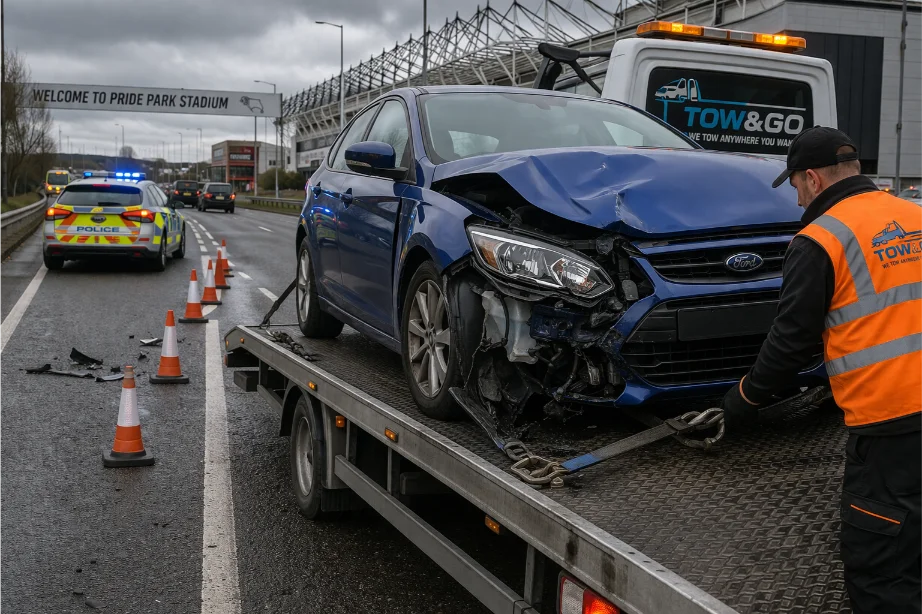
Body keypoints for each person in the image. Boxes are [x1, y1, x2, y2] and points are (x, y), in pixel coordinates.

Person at [721, 126, 922, 613]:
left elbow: (791, 341)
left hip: (891, 423)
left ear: (812, 178)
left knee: (881, 566)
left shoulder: (820, 238)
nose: (797, 200)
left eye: (795, 185)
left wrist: (744, 398)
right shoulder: (914, 215)